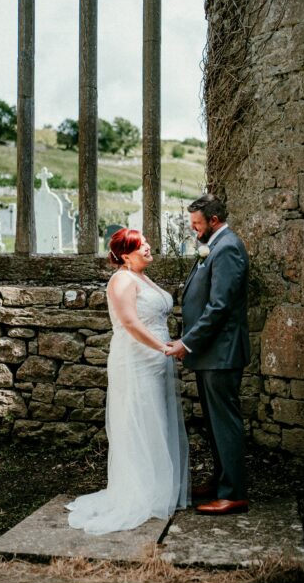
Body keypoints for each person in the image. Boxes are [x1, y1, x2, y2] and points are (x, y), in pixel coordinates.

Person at [66, 229, 190, 535]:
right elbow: (131, 323)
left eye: (147, 242)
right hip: (135, 360)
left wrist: (167, 345)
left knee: (155, 422)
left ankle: (157, 488)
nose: (148, 247)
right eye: (141, 245)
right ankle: (138, 492)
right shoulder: (121, 280)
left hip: (154, 361)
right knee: (137, 421)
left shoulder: (143, 277)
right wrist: (163, 347)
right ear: (125, 254)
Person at [165, 194, 250, 515]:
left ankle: (234, 493)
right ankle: (220, 482)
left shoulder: (227, 247)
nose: (193, 229)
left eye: (197, 223)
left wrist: (187, 343)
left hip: (222, 353)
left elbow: (219, 306)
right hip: (211, 353)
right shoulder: (214, 244)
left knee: (224, 423)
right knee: (214, 424)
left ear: (213, 220)